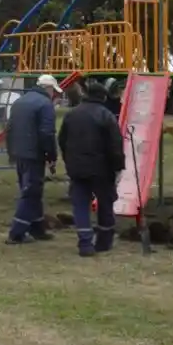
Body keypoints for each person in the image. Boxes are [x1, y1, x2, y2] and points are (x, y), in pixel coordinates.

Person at [58, 78, 126, 256]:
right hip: (102, 170)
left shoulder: (71, 115)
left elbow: (62, 141)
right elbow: (115, 145)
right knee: (105, 204)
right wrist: (118, 167)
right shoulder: (106, 116)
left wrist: (69, 162)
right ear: (103, 98)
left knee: (80, 205)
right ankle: (104, 241)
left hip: (77, 169)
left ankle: (85, 243)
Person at [4, 74, 62, 244]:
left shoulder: (20, 102)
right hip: (33, 155)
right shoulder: (45, 105)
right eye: (54, 91)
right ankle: (17, 233)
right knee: (31, 193)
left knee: (31, 191)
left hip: (18, 153)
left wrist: (11, 152)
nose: (54, 95)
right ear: (49, 89)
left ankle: (37, 229)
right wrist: (51, 156)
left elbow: (9, 129)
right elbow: (47, 134)